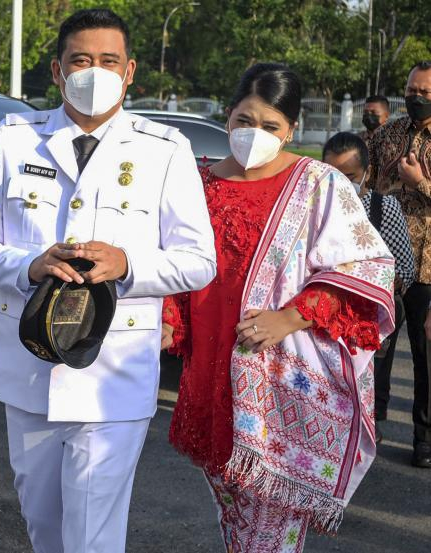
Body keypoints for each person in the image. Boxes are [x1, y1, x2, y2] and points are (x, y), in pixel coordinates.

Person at [0, 9, 216, 552]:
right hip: (27, 365)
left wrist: (129, 264)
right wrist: (28, 265)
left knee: (94, 533)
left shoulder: (163, 149)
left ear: (130, 71)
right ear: (56, 70)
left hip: (113, 373)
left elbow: (198, 261)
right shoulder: (13, 138)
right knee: (42, 522)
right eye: (80, 60)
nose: (93, 71)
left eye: (108, 61)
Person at [162, 63, 395, 552]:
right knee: (232, 519)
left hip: (280, 383)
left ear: (290, 130)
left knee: (270, 533)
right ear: (228, 117)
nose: (254, 134)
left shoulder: (319, 183)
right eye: (245, 120)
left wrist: (288, 318)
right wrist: (167, 322)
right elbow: (172, 264)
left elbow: (369, 266)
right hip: (208, 372)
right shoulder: (197, 182)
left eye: (270, 126)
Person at [323, 132, 415, 443]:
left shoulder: (383, 208)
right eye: (332, 174)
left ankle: (360, 439)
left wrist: (367, 286)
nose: (341, 184)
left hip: (368, 318)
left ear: (366, 174)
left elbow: (404, 267)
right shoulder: (312, 206)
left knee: (367, 384)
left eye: (349, 176)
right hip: (320, 314)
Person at [368, 60, 431, 468]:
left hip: (428, 268)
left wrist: (420, 183)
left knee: (426, 358)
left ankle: (423, 441)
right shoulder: (385, 136)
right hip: (386, 262)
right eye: (411, 90)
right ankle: (367, 430)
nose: (416, 98)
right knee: (375, 352)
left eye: (425, 92)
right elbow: (366, 187)